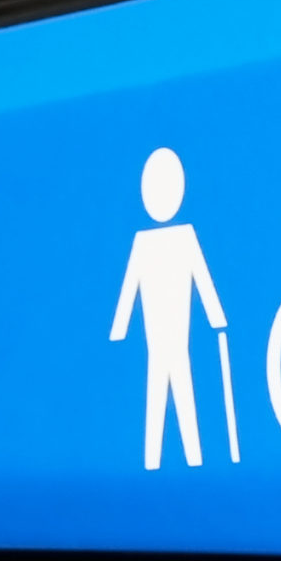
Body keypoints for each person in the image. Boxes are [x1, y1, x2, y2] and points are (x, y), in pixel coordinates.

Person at [109, 147, 229, 468]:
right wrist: (119, 328)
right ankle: (155, 461)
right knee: (156, 399)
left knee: (183, 394)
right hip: (156, 342)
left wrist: (216, 315)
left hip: (178, 340)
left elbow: (202, 279)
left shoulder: (184, 237)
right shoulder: (144, 244)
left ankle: (192, 458)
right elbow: (129, 289)